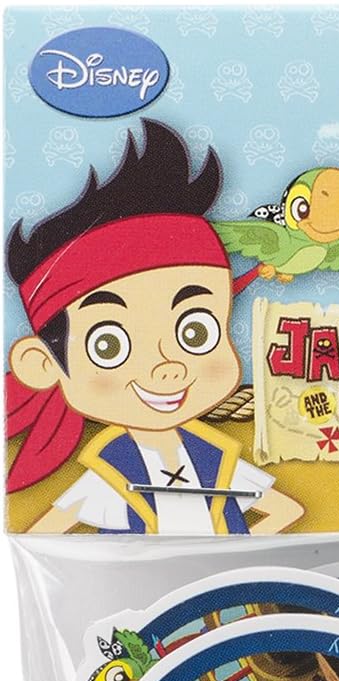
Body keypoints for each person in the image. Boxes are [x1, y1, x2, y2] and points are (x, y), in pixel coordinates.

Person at [5, 120, 302, 534]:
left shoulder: (214, 458)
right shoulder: (110, 471)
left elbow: (286, 511)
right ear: (43, 363)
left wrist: (236, 553)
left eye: (196, 333)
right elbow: (41, 539)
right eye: (109, 345)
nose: (167, 366)